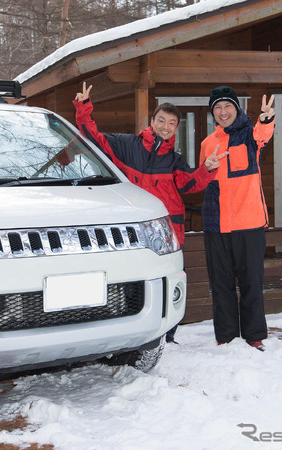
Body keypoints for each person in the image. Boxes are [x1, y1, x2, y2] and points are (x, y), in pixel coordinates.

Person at [73, 82, 226, 344]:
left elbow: (190, 183)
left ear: (176, 128)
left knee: (168, 284)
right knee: (130, 283)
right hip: (131, 234)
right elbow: (93, 138)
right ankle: (130, 336)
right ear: (152, 121)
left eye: (171, 124)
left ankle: (168, 336)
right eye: (162, 121)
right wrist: (84, 108)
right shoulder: (126, 145)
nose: (165, 127)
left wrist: (207, 168)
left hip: (167, 235)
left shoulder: (174, 160)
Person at [199, 86, 275, 351]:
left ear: (236, 108)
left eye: (227, 106)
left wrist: (266, 119)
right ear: (213, 113)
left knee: (251, 281)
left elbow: (263, 134)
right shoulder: (207, 143)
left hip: (248, 222)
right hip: (216, 223)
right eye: (217, 108)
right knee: (220, 283)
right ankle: (226, 336)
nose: (222, 112)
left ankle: (254, 335)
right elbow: (202, 180)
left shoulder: (249, 135)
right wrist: (205, 169)